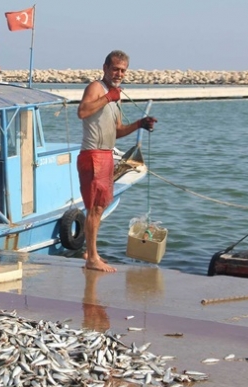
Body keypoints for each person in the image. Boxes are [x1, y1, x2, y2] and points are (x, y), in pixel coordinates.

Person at [77, 50, 157, 272]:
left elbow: (118, 131)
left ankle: (91, 252)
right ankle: (92, 258)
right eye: (115, 69)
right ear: (105, 68)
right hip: (92, 155)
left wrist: (140, 124)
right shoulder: (96, 88)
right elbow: (82, 111)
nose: (119, 73)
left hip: (106, 155)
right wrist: (107, 98)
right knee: (94, 207)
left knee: (99, 208)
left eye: (123, 70)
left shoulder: (115, 96)